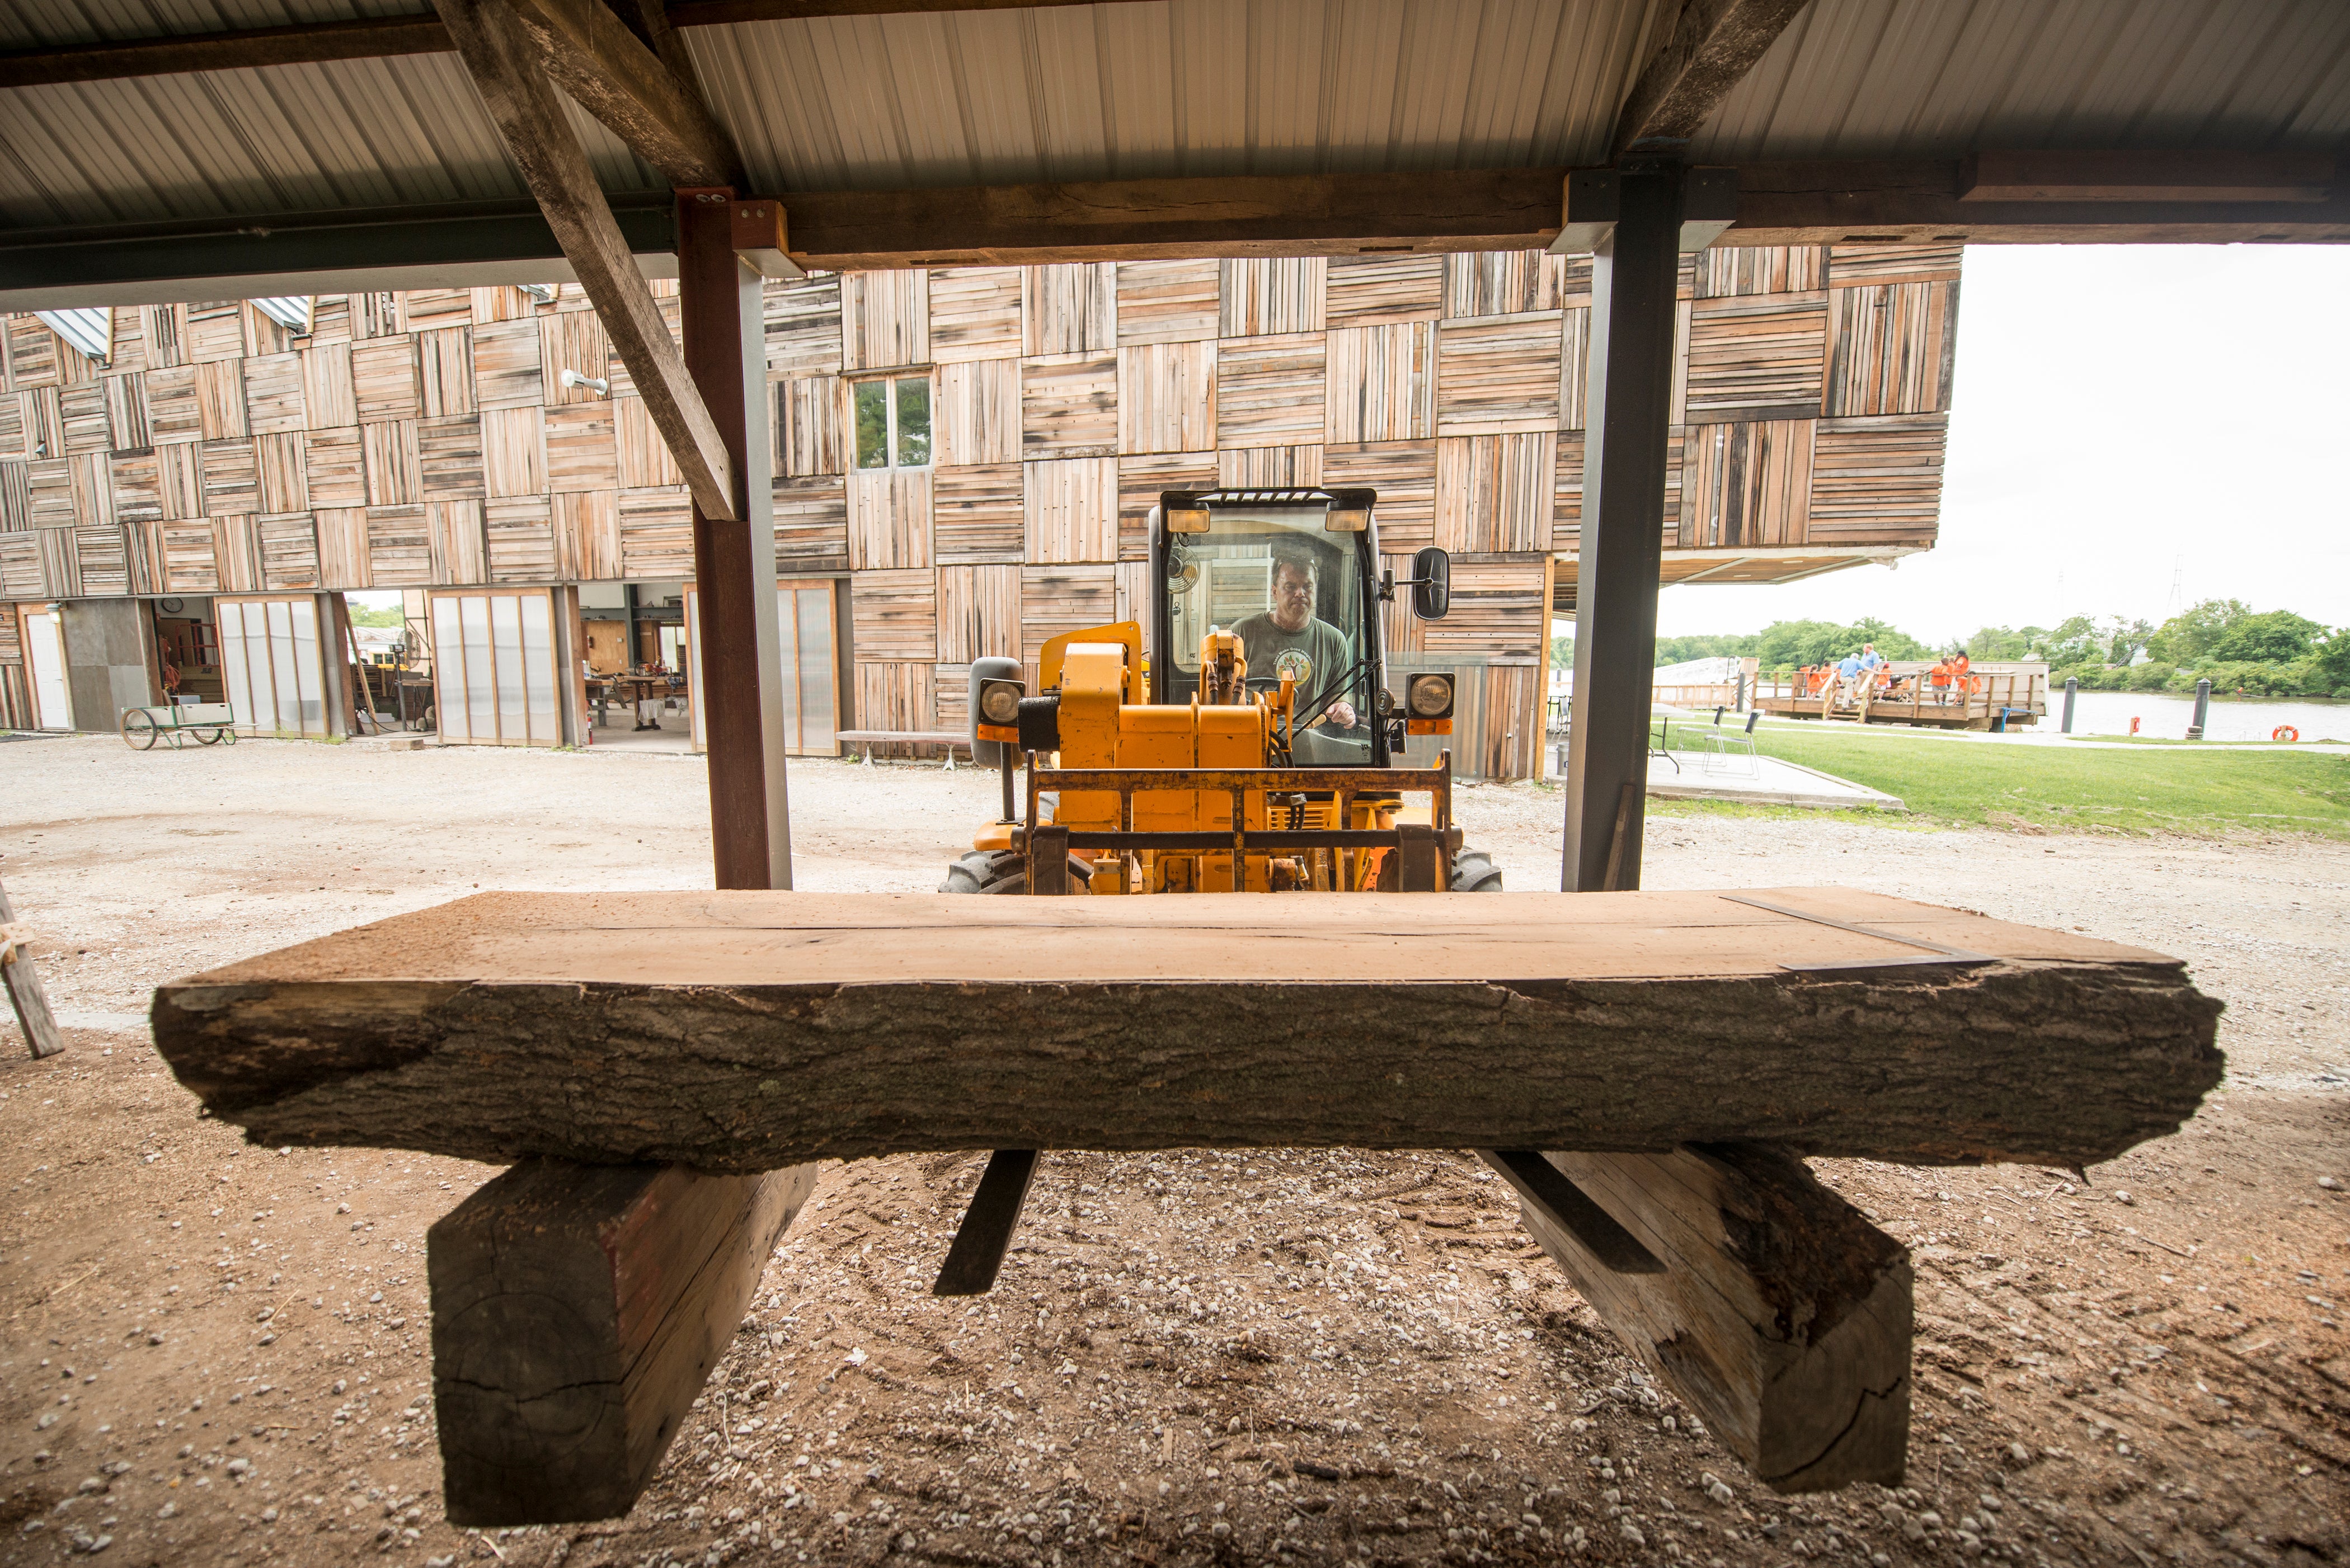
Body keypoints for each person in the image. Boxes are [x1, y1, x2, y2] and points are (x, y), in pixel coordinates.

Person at [1232, 546, 1357, 728]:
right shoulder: (1242, 633)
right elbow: (1224, 693)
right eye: (1291, 587)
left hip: (1308, 737)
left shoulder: (1334, 640)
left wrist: (1343, 708)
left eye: (1307, 586)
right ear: (1275, 591)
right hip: (1250, 734)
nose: (1300, 593)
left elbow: (1337, 695)